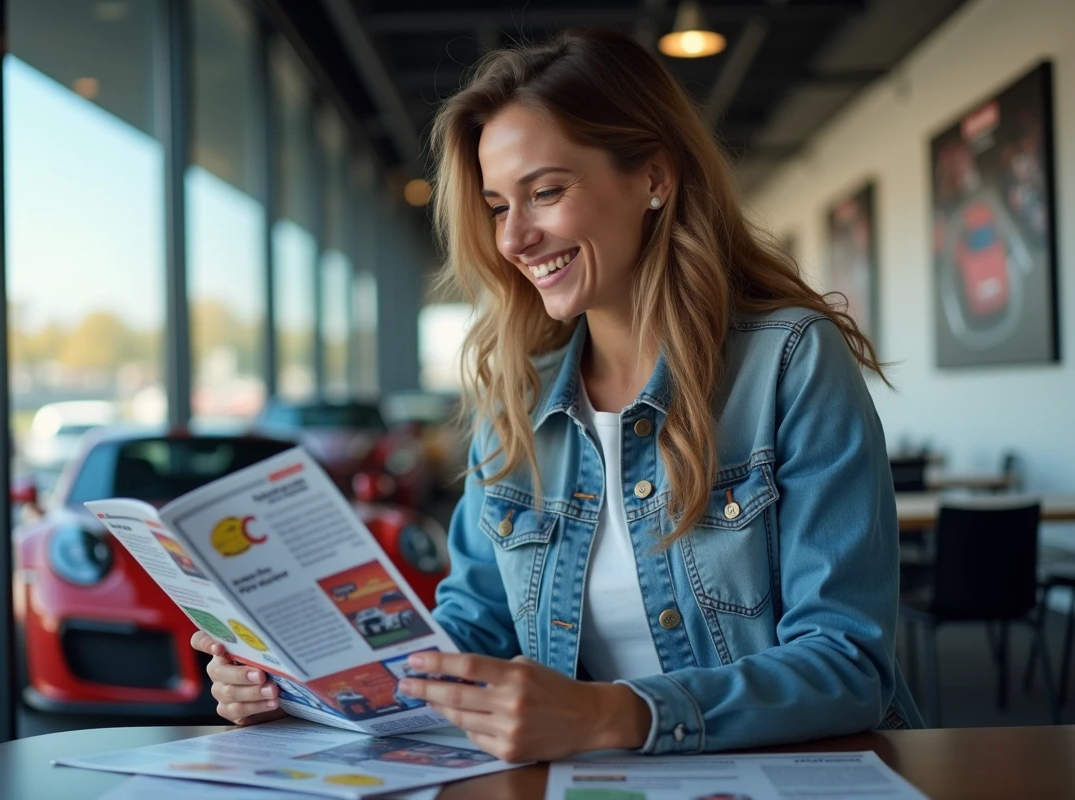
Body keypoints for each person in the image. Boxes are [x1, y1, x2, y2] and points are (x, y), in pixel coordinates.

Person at [192, 27, 922, 761]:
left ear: (654, 178)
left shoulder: (788, 361)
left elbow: (848, 662)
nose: (514, 239)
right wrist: (297, 681)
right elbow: (475, 632)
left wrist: (613, 715)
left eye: (545, 192)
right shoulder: (515, 401)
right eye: (499, 206)